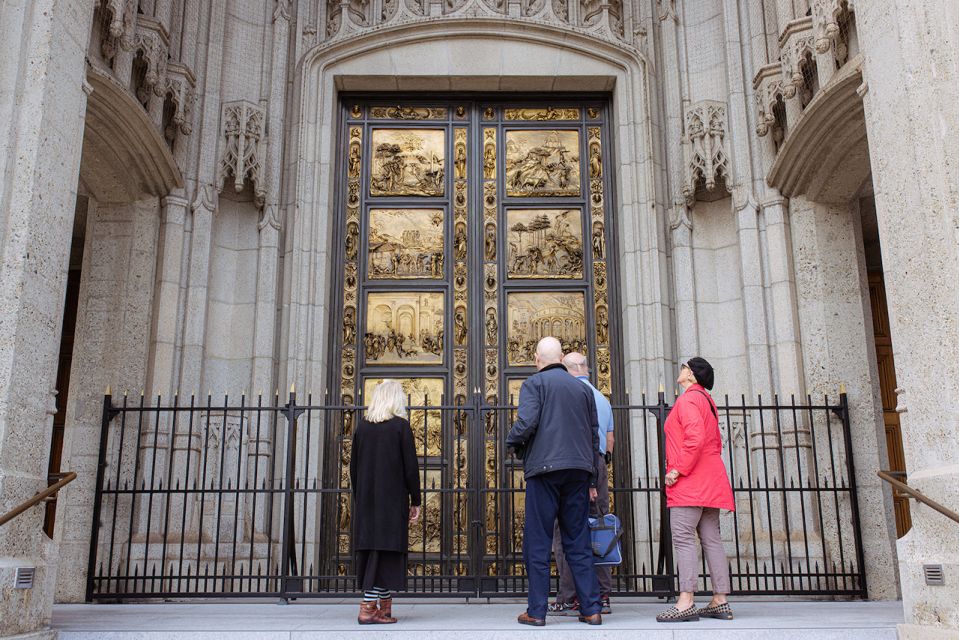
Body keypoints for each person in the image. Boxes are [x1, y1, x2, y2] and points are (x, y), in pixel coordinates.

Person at [506, 337, 603, 627]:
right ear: (561, 358)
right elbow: (594, 435)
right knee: (578, 540)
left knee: (538, 542)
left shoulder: (534, 385)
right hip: (578, 470)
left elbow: (526, 423)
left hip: (545, 471)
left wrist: (513, 443)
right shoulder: (582, 389)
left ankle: (536, 611)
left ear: (537, 359)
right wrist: (591, 476)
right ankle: (591, 609)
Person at [656, 357, 735, 623]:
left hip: (691, 480)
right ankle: (720, 599)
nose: (680, 371)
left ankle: (686, 600)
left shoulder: (689, 399)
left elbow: (695, 437)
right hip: (711, 478)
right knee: (711, 538)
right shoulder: (706, 400)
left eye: (683, 367)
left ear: (690, 374)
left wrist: (678, 469)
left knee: (683, 538)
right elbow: (713, 440)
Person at [350, 380, 422, 625]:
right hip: (391, 501)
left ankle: (384, 605)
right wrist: (416, 500)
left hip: (368, 501)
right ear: (396, 399)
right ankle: (368, 606)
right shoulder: (400, 427)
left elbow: (353, 468)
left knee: (375, 551)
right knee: (385, 550)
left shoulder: (362, 428)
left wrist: (360, 497)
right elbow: (410, 468)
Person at [548, 352, 615, 616]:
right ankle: (603, 594)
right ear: (586, 369)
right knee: (598, 529)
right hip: (597, 463)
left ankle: (569, 596)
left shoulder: (567, 393)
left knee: (565, 532)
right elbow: (609, 440)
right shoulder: (602, 398)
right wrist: (601, 465)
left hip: (572, 465)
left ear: (566, 369)